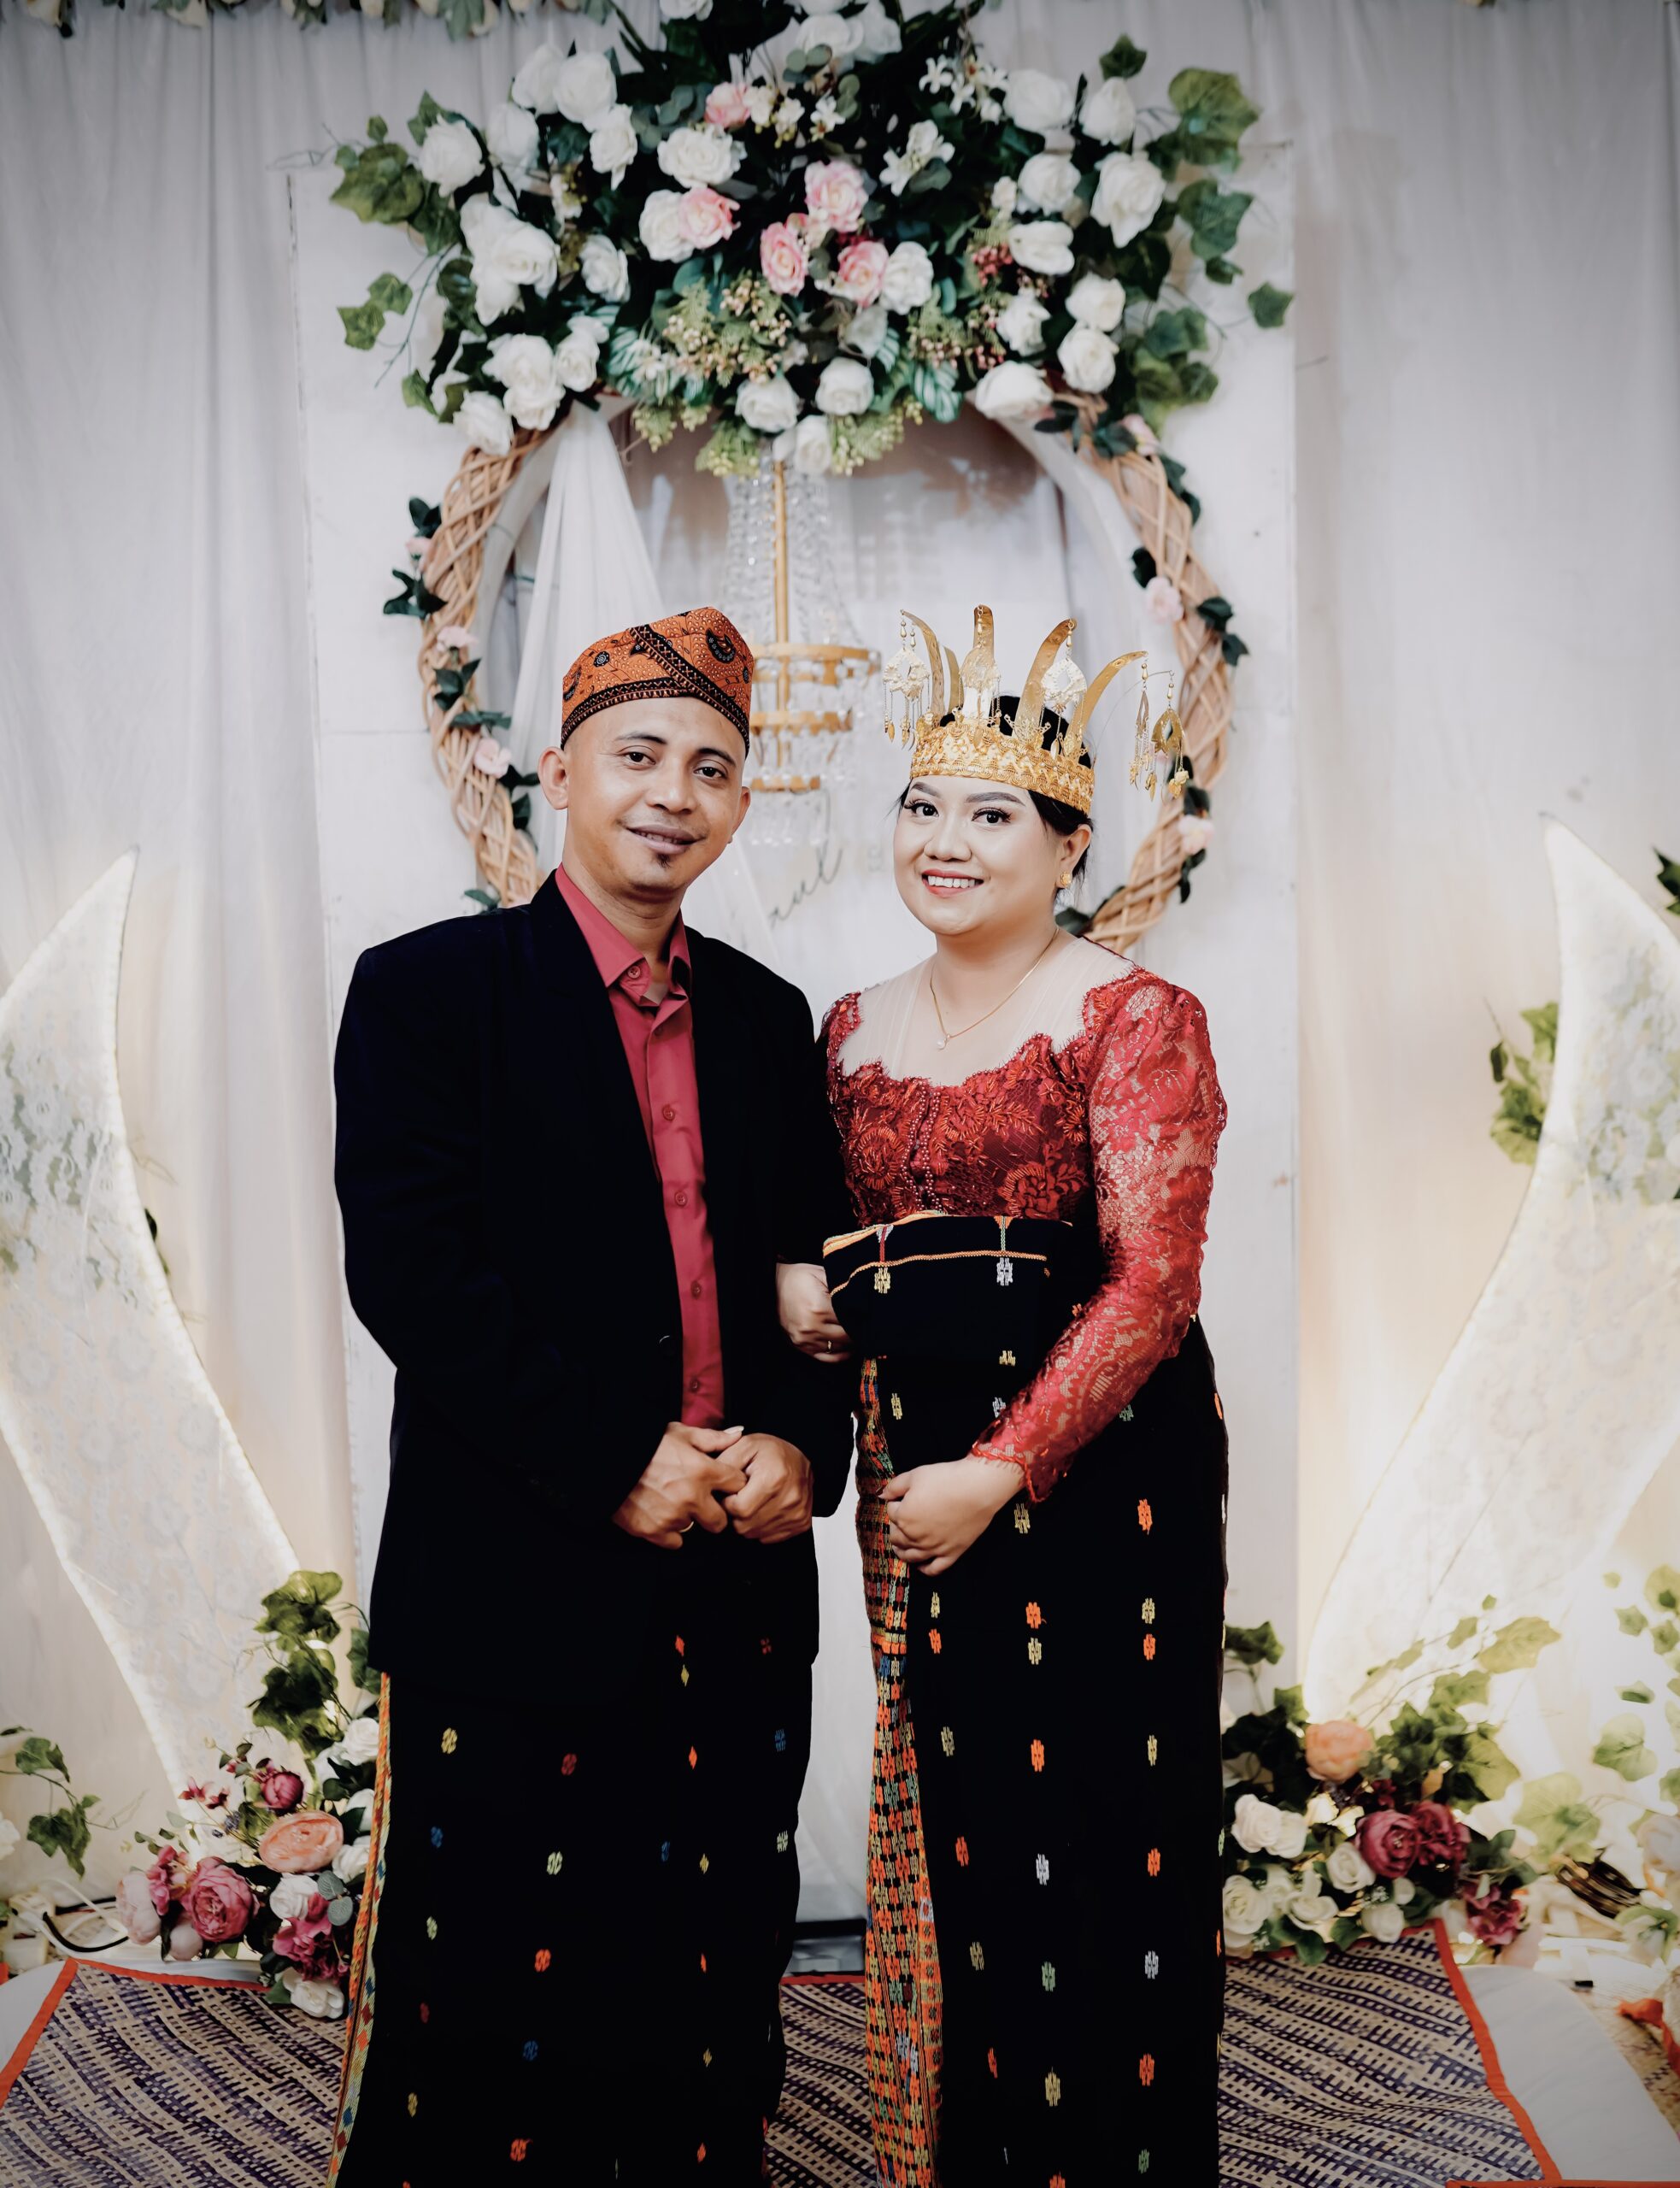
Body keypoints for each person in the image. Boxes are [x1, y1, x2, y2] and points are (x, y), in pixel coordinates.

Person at [329, 607, 854, 2185]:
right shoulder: (430, 992)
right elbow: (413, 1276)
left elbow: (808, 1273)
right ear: (556, 773)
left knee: (711, 1947)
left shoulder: (767, 1016)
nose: (672, 794)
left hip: (734, 1573)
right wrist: (615, 1456)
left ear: (742, 801)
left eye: (712, 767)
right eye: (637, 755)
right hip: (515, 1566)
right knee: (497, 1963)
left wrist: (801, 1447)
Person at [780, 608, 1231, 2185]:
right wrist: (807, 1287)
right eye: (922, 807)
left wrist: (1004, 1468)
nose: (944, 842)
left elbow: (1152, 1285)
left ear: (1067, 847)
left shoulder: (1132, 1014)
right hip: (913, 1469)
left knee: (1104, 1819)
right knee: (960, 1808)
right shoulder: (848, 1025)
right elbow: (828, 1245)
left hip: (1100, 1476)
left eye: (990, 817)